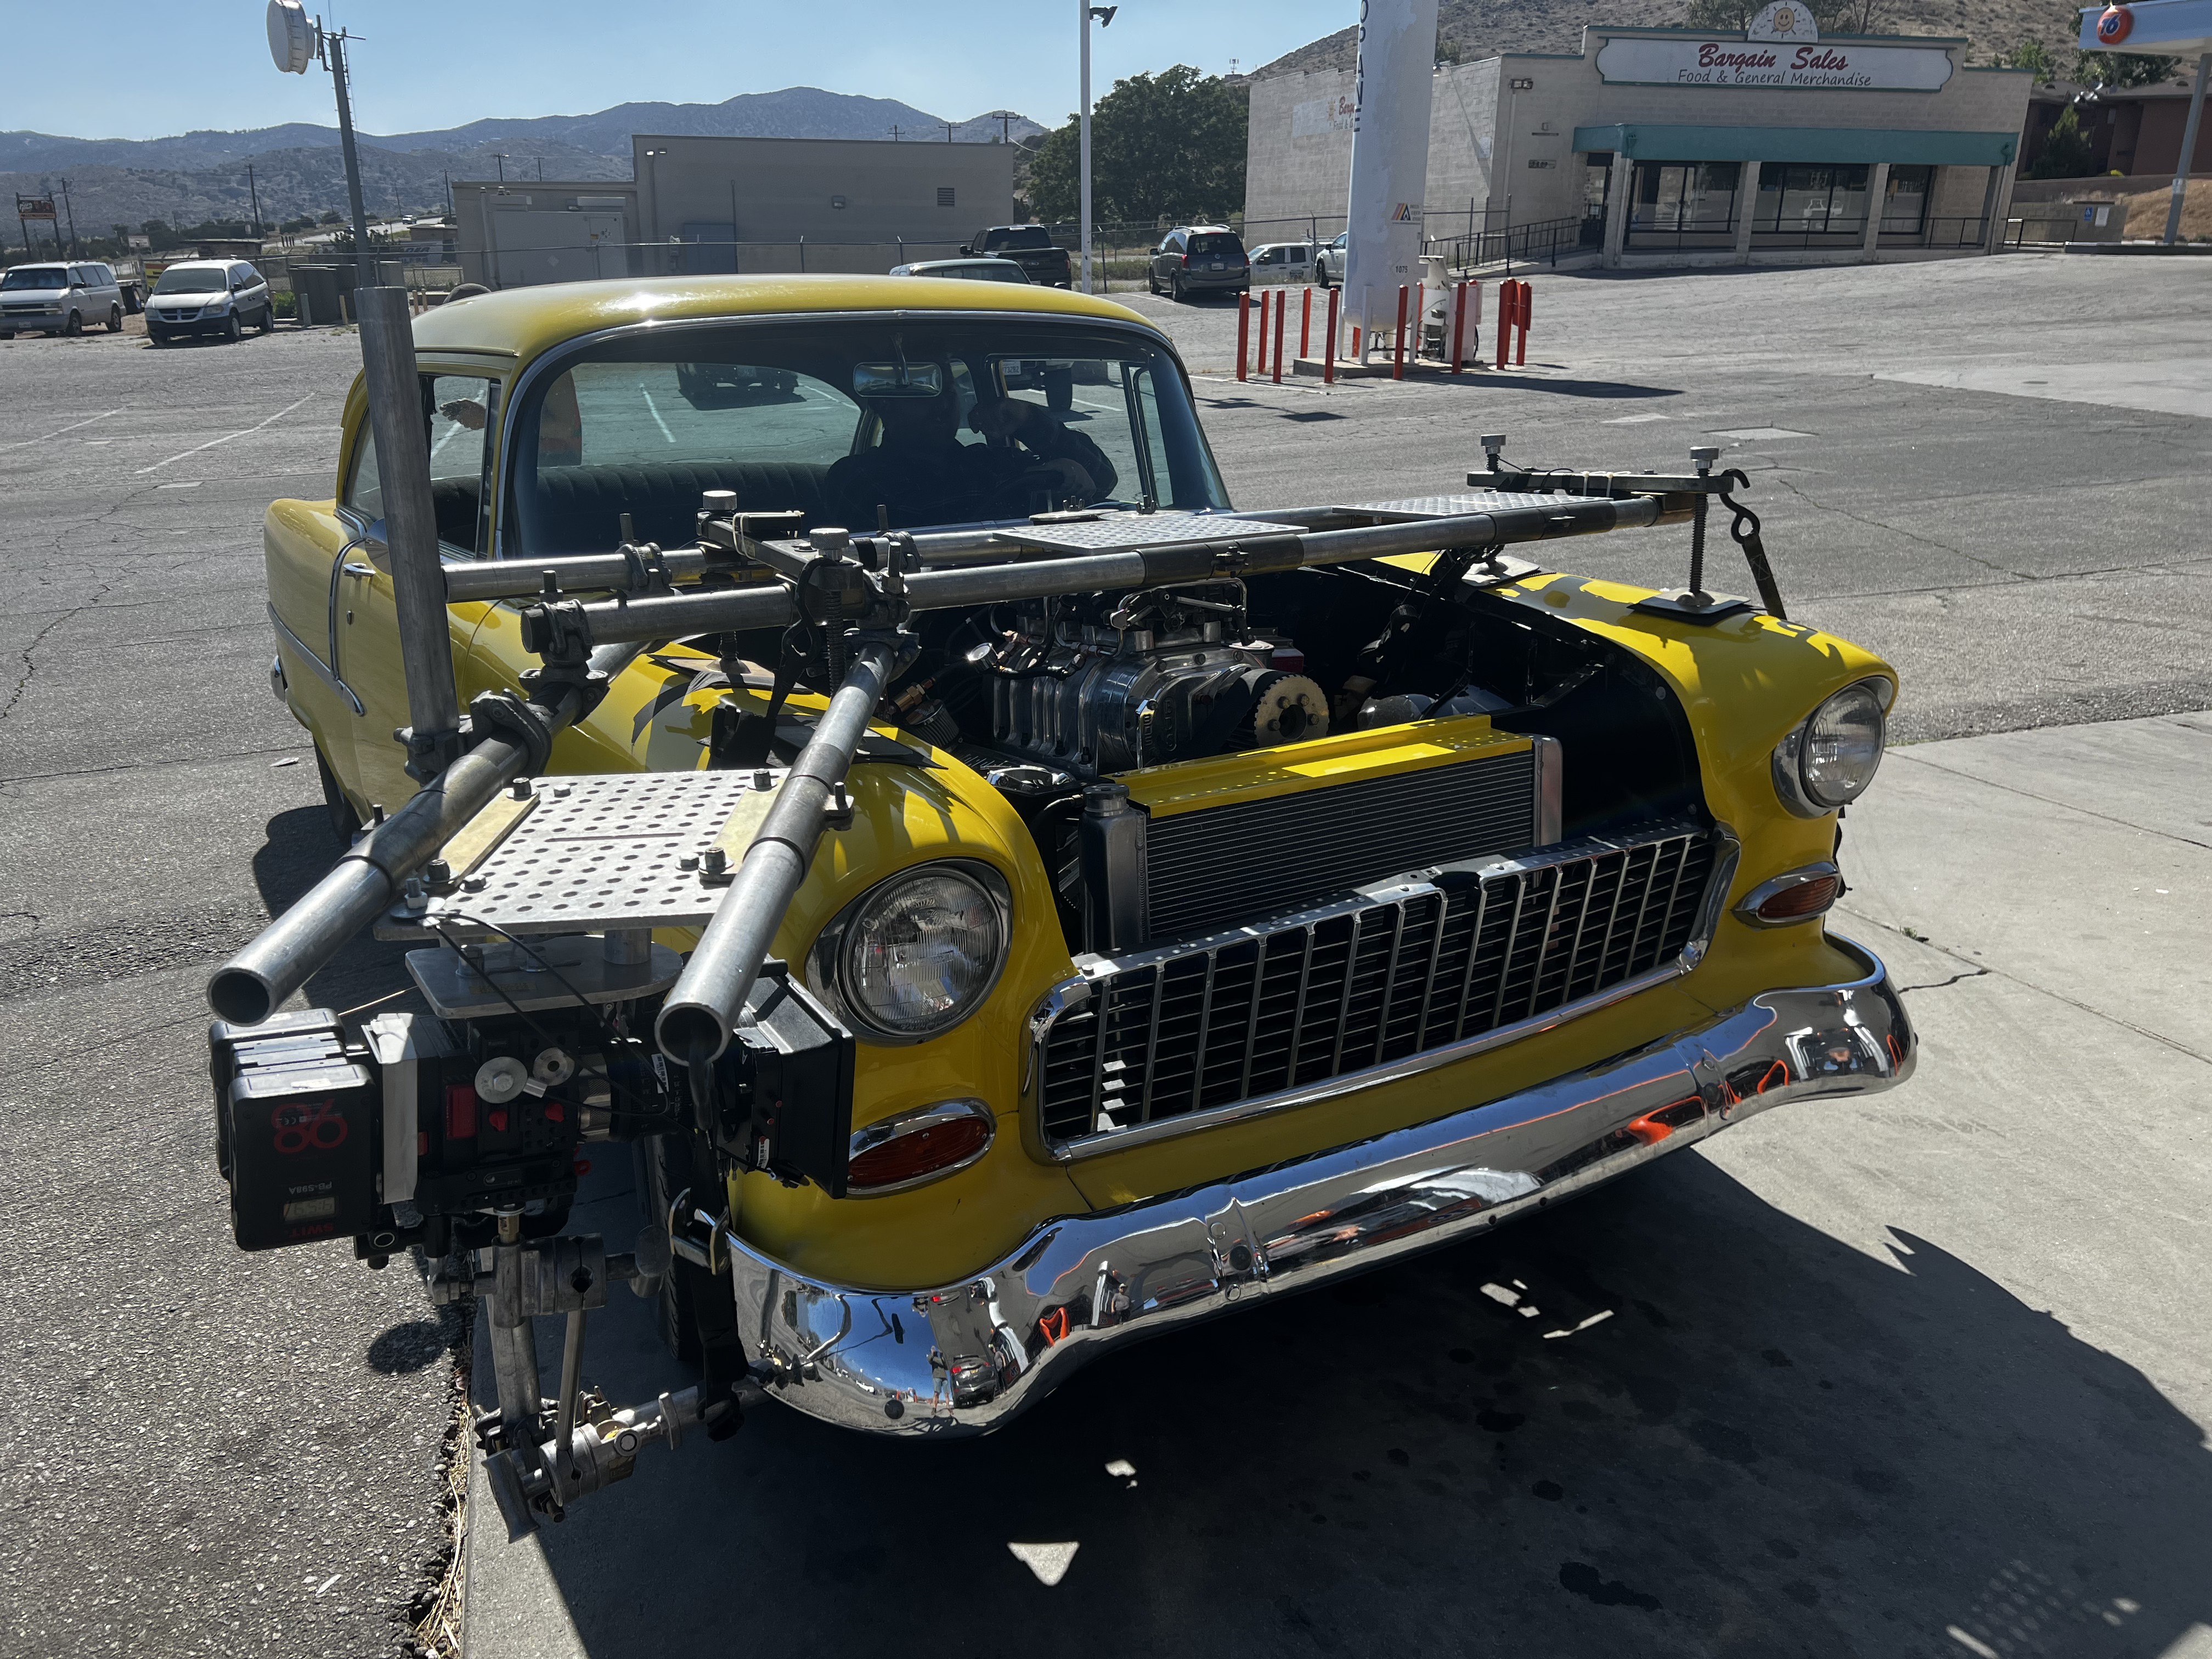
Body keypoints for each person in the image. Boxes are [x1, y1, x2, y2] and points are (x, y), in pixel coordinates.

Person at [825, 385, 1118, 529]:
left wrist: (1030, 421)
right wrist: (1029, 480)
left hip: (1023, 616)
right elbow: (925, 522)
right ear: (885, 405)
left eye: (949, 393)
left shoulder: (993, 461)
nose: (942, 405)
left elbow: (1103, 481)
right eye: (924, 393)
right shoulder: (855, 475)